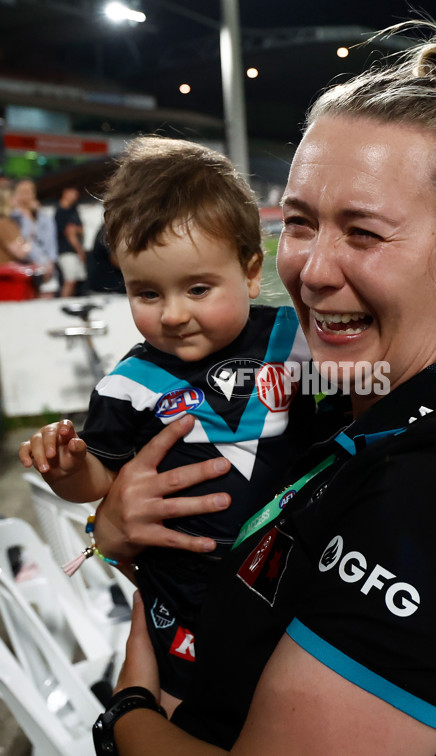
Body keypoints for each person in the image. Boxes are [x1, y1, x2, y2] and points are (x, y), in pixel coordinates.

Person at [26, 22, 436, 755]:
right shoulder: (336, 402)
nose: (311, 269)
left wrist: (127, 713)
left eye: (363, 232)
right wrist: (113, 531)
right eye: (300, 223)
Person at [19, 136, 321, 708]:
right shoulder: (130, 382)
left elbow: (367, 395)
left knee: (287, 708)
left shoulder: (296, 342)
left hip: (291, 584)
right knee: (187, 708)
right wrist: (68, 470)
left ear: (251, 271)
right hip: (182, 596)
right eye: (147, 292)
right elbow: (102, 480)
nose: (174, 314)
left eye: (198, 288)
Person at [10, 178, 59, 297]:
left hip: (44, 263)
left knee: (47, 296)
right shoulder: (14, 216)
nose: (29, 195)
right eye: (24, 192)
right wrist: (26, 216)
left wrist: (51, 262)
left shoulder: (41, 215)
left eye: (31, 191)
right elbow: (23, 237)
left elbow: (49, 238)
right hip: (24, 265)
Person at [54, 185, 87, 297]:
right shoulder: (61, 212)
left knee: (76, 280)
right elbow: (70, 232)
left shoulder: (73, 209)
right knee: (70, 280)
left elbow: (80, 229)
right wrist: (79, 250)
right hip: (66, 251)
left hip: (74, 251)